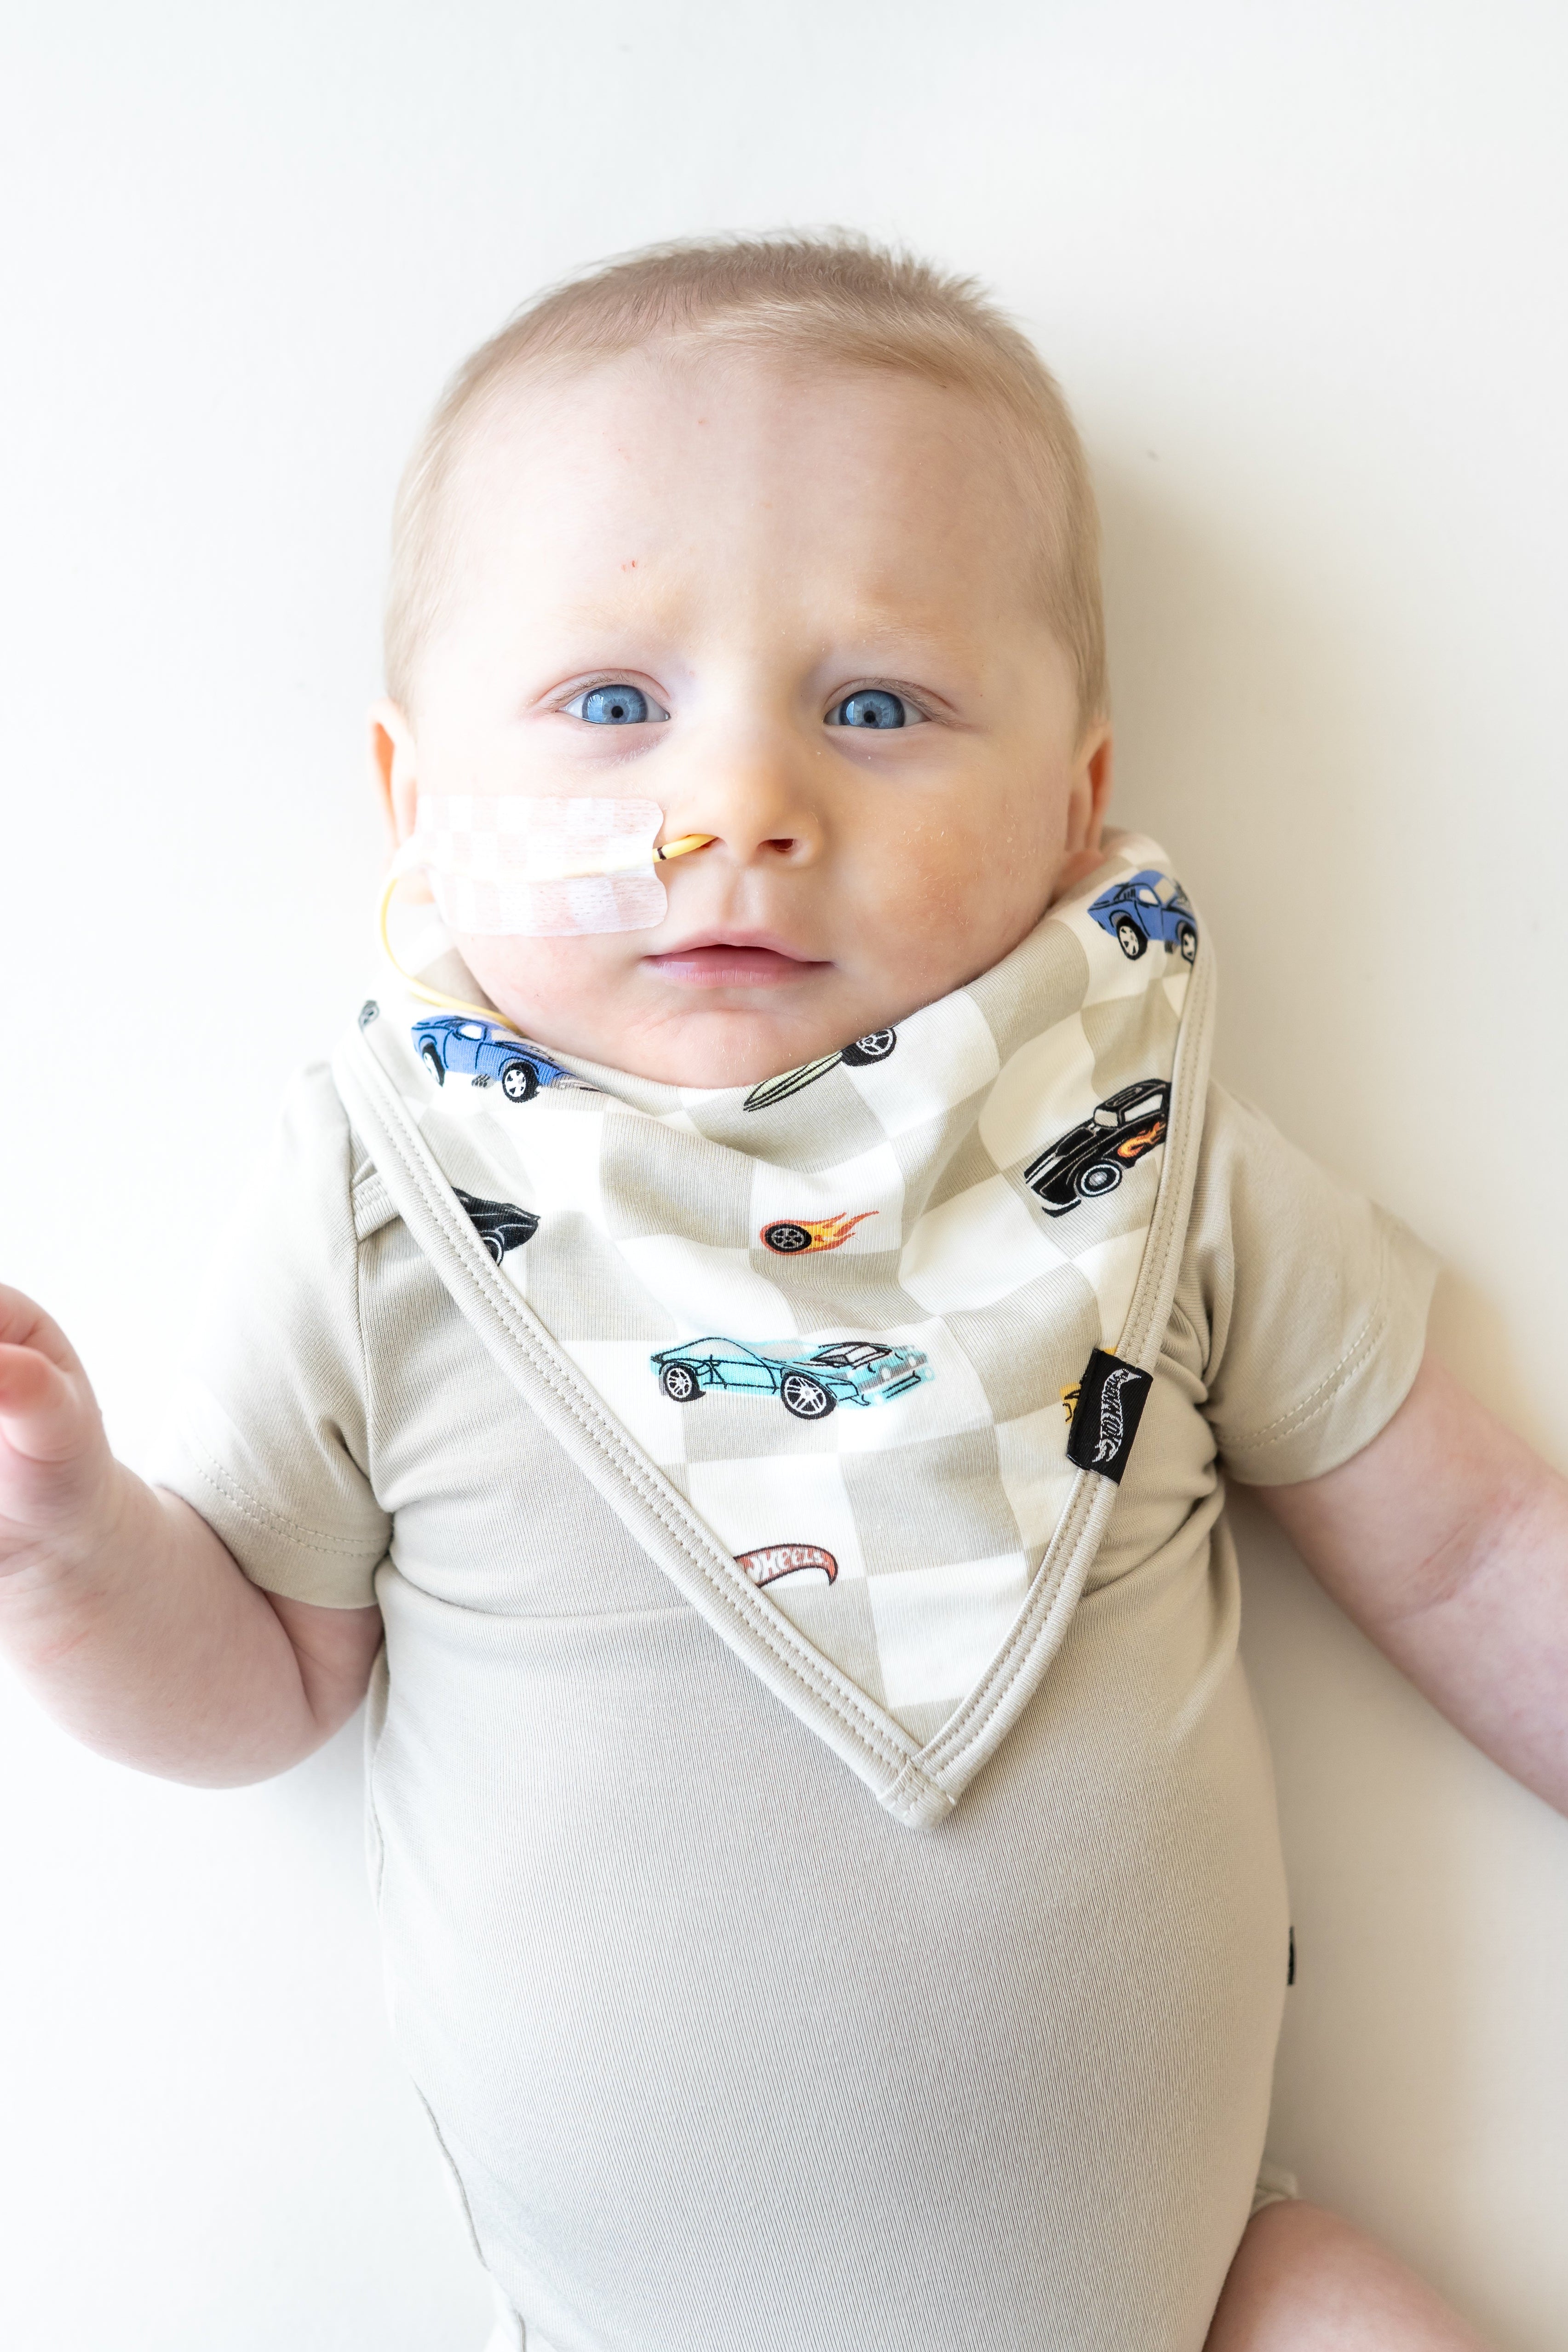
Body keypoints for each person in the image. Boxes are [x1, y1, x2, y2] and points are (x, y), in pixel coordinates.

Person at [1, 236, 1560, 2352]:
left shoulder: (1136, 1161)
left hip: (1201, 2293)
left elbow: (1474, 1547)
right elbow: (261, 1678)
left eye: (877, 706)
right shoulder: (397, 1200)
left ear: (1075, 799)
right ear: (417, 809)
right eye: (613, 707)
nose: (736, 808)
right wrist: (73, 1546)